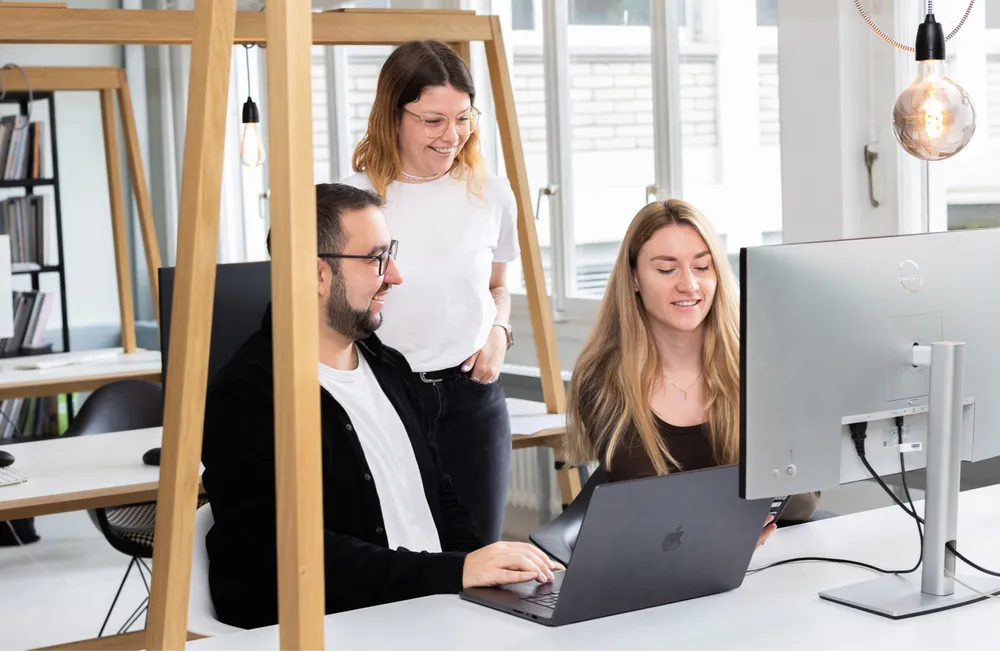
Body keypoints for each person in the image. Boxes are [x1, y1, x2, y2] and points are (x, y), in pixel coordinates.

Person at [201, 183, 557, 630]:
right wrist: (455, 573)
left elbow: (441, 499)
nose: (395, 275)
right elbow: (283, 551)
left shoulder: (389, 368)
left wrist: (487, 571)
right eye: (376, 259)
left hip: (436, 607)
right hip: (347, 624)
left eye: (390, 254)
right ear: (314, 273)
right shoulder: (247, 393)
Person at [342, 40, 517, 544]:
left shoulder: (491, 193)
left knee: (479, 555)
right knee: (398, 553)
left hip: (472, 399)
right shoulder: (354, 199)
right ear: (393, 115)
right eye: (433, 120)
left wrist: (499, 333)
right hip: (383, 397)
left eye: (463, 118)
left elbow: (497, 287)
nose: (453, 135)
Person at [564, 199, 819, 545]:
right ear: (634, 278)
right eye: (667, 270)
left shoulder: (759, 361)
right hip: (661, 566)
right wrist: (736, 516)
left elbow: (803, 499)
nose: (690, 285)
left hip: (771, 557)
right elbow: (650, 506)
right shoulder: (604, 379)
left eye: (702, 267)